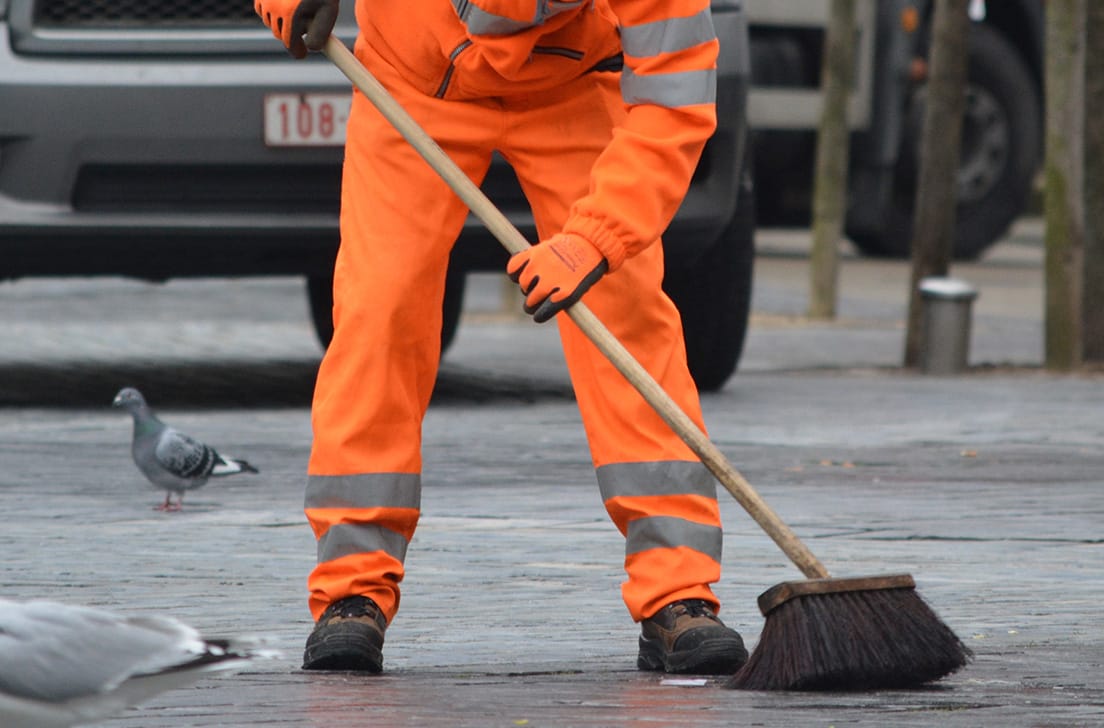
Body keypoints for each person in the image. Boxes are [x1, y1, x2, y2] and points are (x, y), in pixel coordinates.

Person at [253, 0, 747, 675]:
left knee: (621, 312)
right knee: (380, 308)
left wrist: (595, 238)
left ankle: (678, 592)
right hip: (414, 80)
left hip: (574, 84)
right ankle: (352, 591)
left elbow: (674, 96)